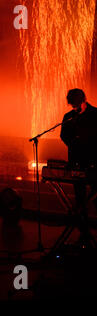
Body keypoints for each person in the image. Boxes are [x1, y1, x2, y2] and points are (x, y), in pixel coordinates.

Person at [60, 89, 97, 244]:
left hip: (94, 162)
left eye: (76, 105)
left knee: (96, 197)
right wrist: (74, 144)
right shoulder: (69, 117)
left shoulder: (95, 114)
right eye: (72, 105)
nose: (74, 108)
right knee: (80, 198)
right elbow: (63, 135)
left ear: (83, 100)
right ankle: (84, 232)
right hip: (76, 162)